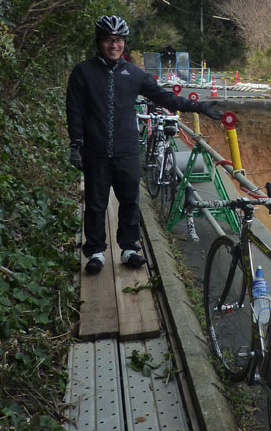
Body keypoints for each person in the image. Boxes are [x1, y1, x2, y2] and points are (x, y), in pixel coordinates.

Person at [66, 15, 223, 274]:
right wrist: (75, 144)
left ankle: (129, 248)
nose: (114, 45)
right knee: (95, 203)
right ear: (99, 42)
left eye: (118, 40)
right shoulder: (83, 72)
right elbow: (74, 110)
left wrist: (199, 106)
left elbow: (165, 98)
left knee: (130, 200)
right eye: (108, 40)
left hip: (127, 149)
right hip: (95, 149)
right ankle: (95, 251)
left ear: (124, 42)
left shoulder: (134, 74)